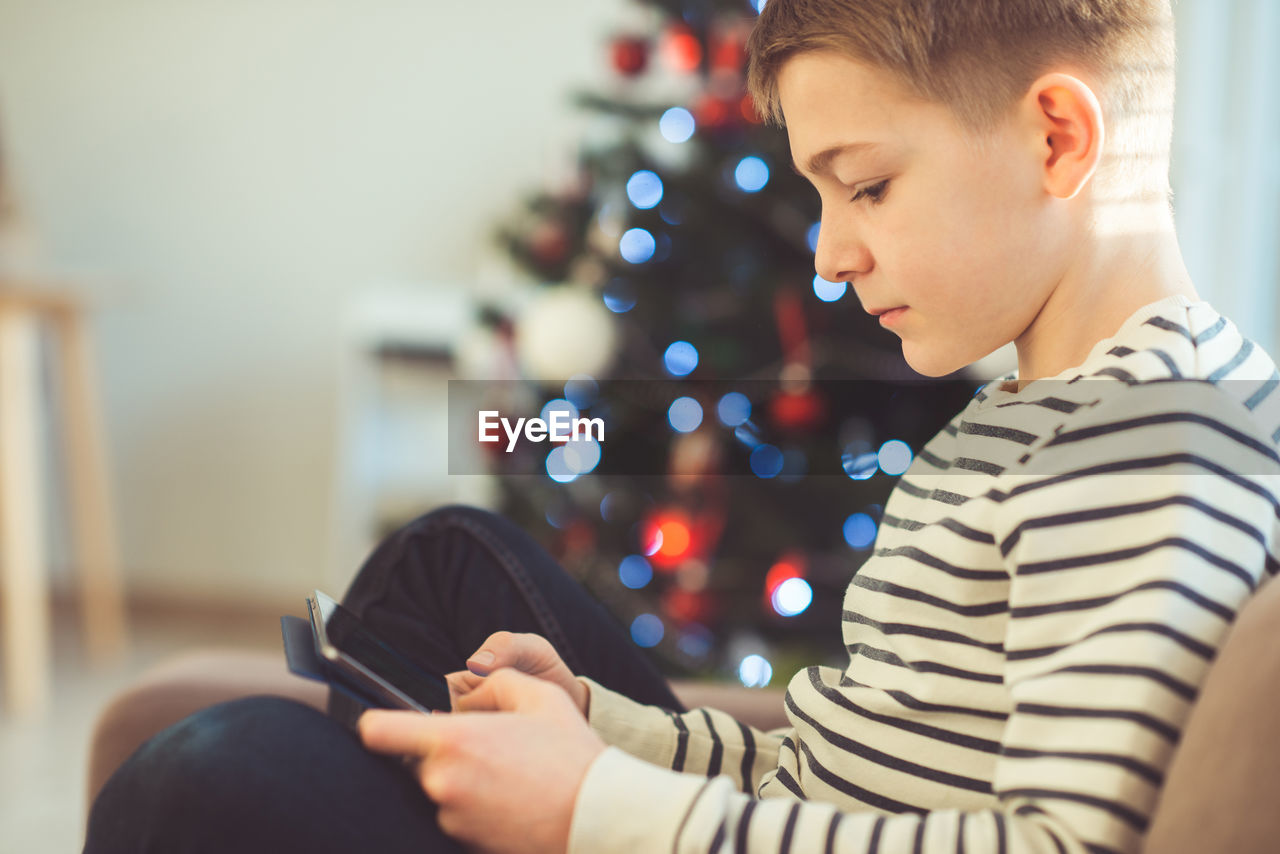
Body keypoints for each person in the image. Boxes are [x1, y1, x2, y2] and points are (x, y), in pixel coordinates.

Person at [84, 1, 1280, 852]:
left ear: (1057, 137)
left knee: (218, 771)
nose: (827, 253)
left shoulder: (1146, 440)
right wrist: (596, 729)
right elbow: (837, 769)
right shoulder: (1034, 413)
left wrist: (591, 804)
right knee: (454, 559)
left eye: (864, 184)